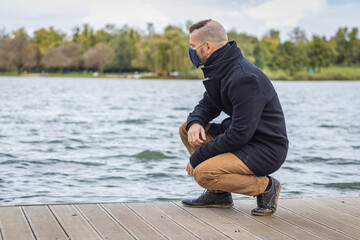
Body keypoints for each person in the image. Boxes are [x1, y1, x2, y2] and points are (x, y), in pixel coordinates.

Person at [179, 19, 289, 216]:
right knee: (186, 129)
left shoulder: (244, 77)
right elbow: (208, 104)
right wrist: (195, 122)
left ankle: (266, 187)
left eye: (192, 46)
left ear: (208, 46)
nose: (191, 51)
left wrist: (198, 157)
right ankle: (218, 195)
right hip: (245, 139)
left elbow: (239, 134)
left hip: (265, 148)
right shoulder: (222, 67)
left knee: (203, 173)